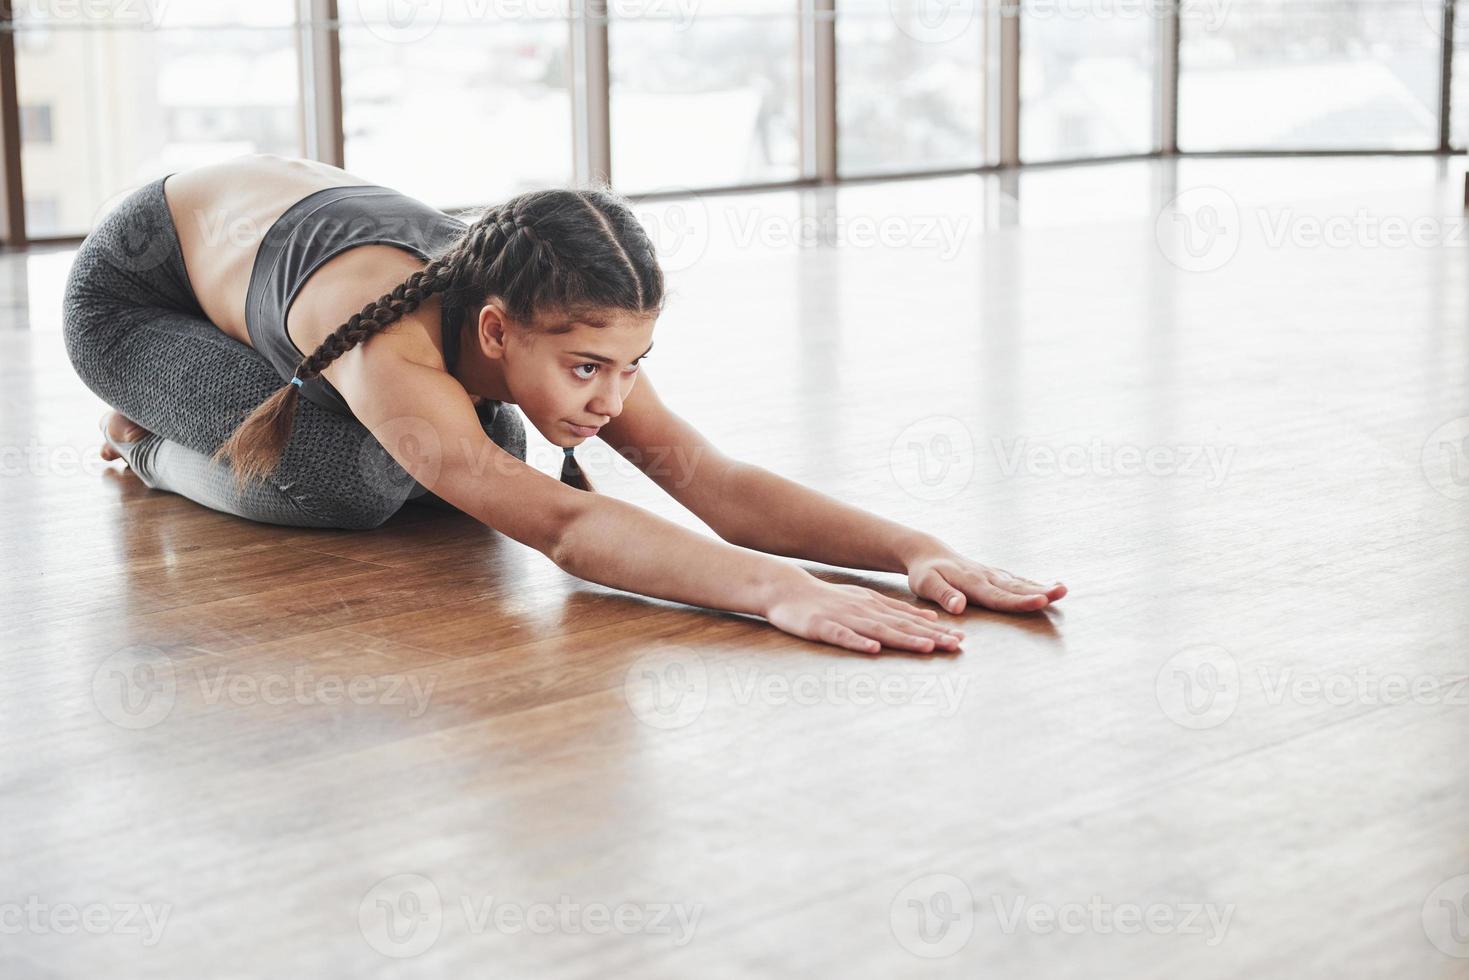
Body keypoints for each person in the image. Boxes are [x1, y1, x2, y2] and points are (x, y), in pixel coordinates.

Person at [63, 153, 1066, 654]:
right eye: (588, 367)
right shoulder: (389, 327)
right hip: (139, 294)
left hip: (275, 278)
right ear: (494, 330)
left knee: (489, 439)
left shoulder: (555, 318)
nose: (612, 396)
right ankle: (147, 438)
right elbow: (565, 526)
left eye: (632, 365)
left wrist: (911, 550)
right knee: (351, 479)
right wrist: (773, 588)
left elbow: (705, 476)